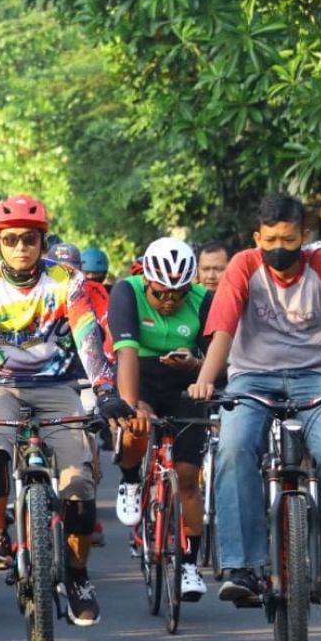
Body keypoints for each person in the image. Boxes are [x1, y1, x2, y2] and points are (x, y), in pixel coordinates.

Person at [0, 195, 134, 625]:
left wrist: (105, 391)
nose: (20, 247)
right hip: (0, 385)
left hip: (58, 387)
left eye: (29, 239)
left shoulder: (67, 280)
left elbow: (88, 337)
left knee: (79, 485)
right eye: (10, 239)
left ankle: (77, 573)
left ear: (42, 242)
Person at [188, 193, 321, 613]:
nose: (279, 247)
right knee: (234, 449)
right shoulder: (243, 265)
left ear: (303, 237)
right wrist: (205, 380)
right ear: (258, 236)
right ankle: (243, 567)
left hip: (318, 379)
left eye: (289, 239)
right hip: (252, 378)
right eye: (270, 238)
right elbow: (223, 329)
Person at [109, 238, 212, 598]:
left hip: (186, 384)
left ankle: (189, 565)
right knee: (136, 428)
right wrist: (131, 404)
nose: (169, 301)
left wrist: (197, 365)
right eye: (161, 294)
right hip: (140, 375)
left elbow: (217, 359)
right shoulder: (127, 292)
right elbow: (125, 354)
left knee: (187, 477)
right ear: (146, 281)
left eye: (178, 295)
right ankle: (130, 479)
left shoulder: (203, 299)